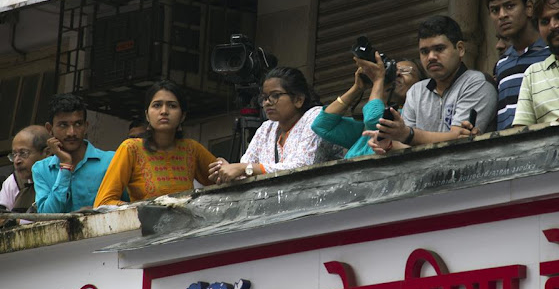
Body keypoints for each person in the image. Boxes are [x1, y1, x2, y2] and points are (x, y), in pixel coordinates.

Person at [366, 15, 497, 153]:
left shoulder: (477, 83)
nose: (431, 57)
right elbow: (404, 145)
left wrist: (408, 134)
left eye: (439, 49)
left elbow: (458, 141)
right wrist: (389, 144)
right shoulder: (416, 91)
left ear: (460, 49)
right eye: (424, 51)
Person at [93, 80, 217, 207]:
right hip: (145, 225)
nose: (164, 111)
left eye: (172, 106)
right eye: (157, 105)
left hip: (188, 226)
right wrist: (145, 208)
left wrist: (234, 168)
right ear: (147, 115)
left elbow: (225, 183)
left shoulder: (192, 149)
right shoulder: (131, 149)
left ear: (182, 116)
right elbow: (103, 203)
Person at [209, 67, 340, 183]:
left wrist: (242, 168)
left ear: (298, 100)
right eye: (264, 97)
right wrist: (226, 172)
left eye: (275, 95)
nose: (267, 102)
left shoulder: (315, 117)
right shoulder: (266, 128)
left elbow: (301, 166)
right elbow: (246, 170)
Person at [311, 53, 426, 158]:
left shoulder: (413, 119)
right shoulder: (368, 128)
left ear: (421, 82)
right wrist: (357, 88)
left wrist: (378, 80)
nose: (398, 74)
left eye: (406, 71)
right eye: (393, 71)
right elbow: (322, 125)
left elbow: (373, 119)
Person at [487, 0, 551, 130]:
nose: (502, 15)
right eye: (495, 10)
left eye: (509, 6)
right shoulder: (501, 64)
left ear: (529, 8)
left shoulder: (551, 54)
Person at [33, 94, 115, 213]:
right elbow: (47, 214)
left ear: (86, 127)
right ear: (50, 129)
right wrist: (65, 165)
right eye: (63, 125)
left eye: (78, 124)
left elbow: (127, 206)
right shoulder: (41, 169)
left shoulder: (111, 161)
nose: (71, 132)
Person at [0, 126, 49, 221]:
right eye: (14, 155)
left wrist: (20, 221)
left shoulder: (62, 176)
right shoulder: (13, 181)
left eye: (23, 153)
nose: (17, 161)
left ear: (46, 153)